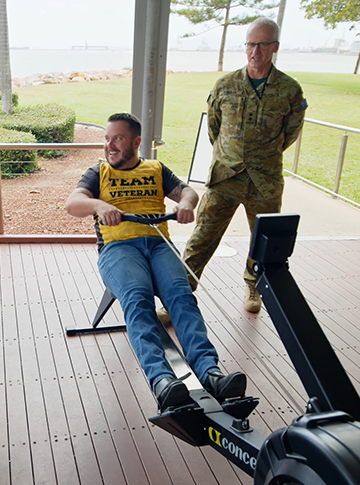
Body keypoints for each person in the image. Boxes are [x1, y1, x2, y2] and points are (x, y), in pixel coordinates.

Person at [65, 112, 246, 412]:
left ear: (136, 142)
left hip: (159, 246)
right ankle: (162, 380)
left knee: (182, 299)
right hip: (119, 248)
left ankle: (210, 373)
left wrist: (186, 204)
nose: (109, 145)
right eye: (107, 139)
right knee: (138, 300)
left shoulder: (155, 169)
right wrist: (99, 204)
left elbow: (188, 192)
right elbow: (73, 204)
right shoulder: (98, 173)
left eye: (118, 139)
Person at [163, 17, 307, 318]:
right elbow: (214, 127)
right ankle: (180, 294)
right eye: (251, 44)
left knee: (263, 241)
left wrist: (261, 156)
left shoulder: (290, 90)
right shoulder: (226, 85)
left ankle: (253, 284)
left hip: (264, 180)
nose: (256, 50)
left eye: (263, 44)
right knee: (202, 236)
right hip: (225, 177)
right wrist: (232, 154)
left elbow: (290, 132)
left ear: (275, 47)